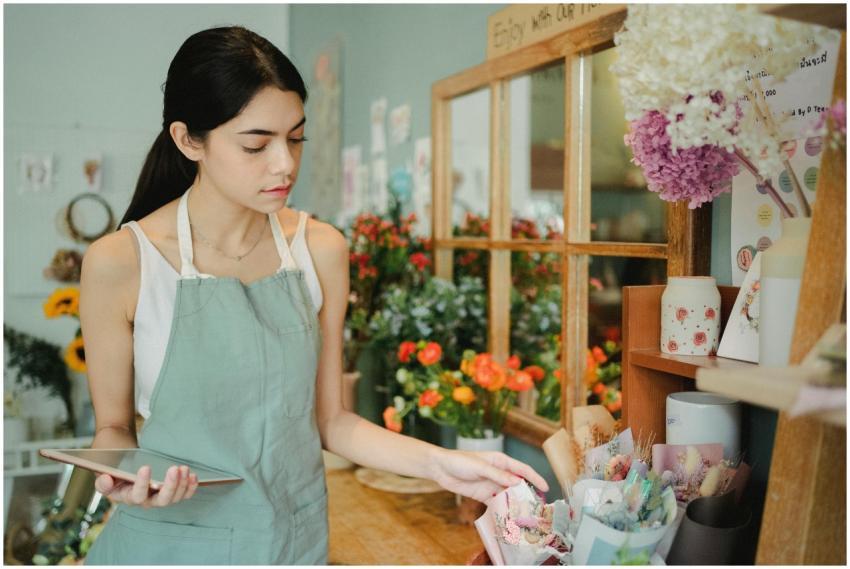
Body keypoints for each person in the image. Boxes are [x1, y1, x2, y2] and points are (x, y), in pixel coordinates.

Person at [79, 26, 548, 565]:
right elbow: (112, 429)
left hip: (290, 544)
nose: (284, 164)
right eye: (256, 144)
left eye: (296, 138)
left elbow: (331, 421)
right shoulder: (121, 261)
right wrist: (120, 474)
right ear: (189, 140)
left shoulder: (318, 249)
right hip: (167, 545)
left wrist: (441, 464)